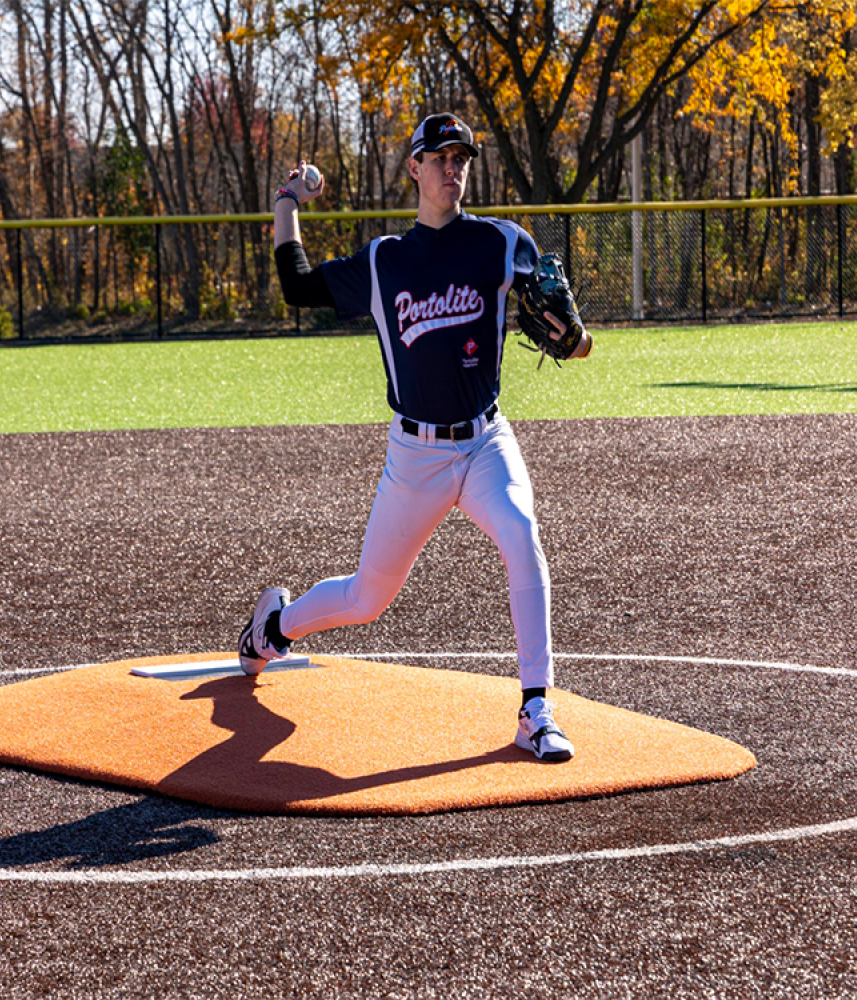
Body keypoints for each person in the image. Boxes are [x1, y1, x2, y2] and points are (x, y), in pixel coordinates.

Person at [238, 113, 592, 762]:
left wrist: (578, 340)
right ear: (415, 168)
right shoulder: (385, 262)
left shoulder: (500, 243)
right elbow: (296, 285)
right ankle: (274, 627)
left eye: (461, 158)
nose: (452, 168)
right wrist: (287, 201)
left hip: (485, 442)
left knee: (521, 535)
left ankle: (536, 708)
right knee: (367, 597)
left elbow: (571, 332)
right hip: (416, 456)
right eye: (440, 158)